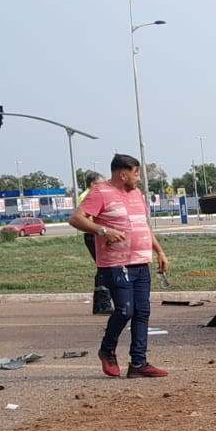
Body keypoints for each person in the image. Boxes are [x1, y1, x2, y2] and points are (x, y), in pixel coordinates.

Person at [68, 153, 171, 378]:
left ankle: (139, 363)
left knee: (142, 312)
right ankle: (107, 350)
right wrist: (102, 230)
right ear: (123, 174)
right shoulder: (100, 193)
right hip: (116, 263)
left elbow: (143, 226)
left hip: (140, 261)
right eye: (136, 174)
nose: (138, 179)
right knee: (125, 310)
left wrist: (160, 251)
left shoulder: (136, 194)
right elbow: (76, 218)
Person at [76, 172, 112, 315]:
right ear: (93, 184)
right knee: (104, 268)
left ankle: (100, 304)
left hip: (94, 234)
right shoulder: (89, 196)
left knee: (103, 268)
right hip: (94, 234)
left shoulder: (86, 195)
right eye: (101, 183)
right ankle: (102, 304)